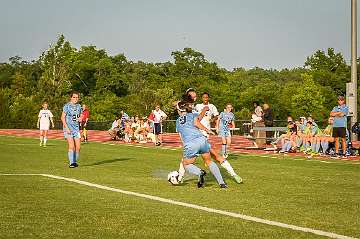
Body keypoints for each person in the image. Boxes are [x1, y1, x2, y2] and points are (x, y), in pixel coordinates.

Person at [181, 90, 242, 183]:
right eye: (194, 96)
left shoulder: (211, 106)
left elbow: (216, 116)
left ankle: (180, 177)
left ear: (208, 98)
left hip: (201, 136)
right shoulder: (196, 106)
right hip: (197, 135)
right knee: (213, 157)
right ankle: (231, 175)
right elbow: (194, 119)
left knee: (188, 160)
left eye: (206, 97)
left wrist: (211, 120)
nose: (196, 98)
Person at [175, 100, 227, 188]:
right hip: (201, 139)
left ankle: (200, 172)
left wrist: (185, 146)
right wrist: (207, 130)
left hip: (190, 143)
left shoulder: (177, 121)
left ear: (179, 110)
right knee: (209, 161)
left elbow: (181, 135)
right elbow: (197, 122)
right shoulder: (192, 114)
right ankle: (222, 183)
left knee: (186, 164)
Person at [61, 91, 83, 168]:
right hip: (68, 128)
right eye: (74, 97)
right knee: (72, 146)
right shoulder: (66, 106)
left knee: (78, 147)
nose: (75, 99)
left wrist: (80, 118)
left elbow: (80, 116)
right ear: (71, 97)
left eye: (77, 97)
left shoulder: (79, 106)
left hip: (76, 129)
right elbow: (62, 118)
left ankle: (75, 162)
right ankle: (71, 163)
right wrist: (67, 128)